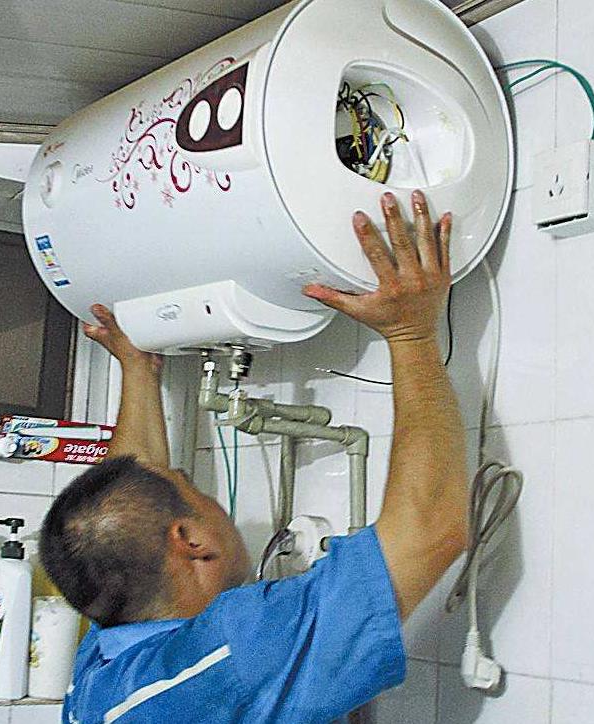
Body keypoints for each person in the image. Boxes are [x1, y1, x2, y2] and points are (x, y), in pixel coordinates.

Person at [40, 190, 468, 723]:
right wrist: (410, 332)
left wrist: (138, 369)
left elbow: (129, 502)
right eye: (194, 489)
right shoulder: (230, 658)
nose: (211, 500)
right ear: (190, 540)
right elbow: (431, 531)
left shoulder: (107, 667)